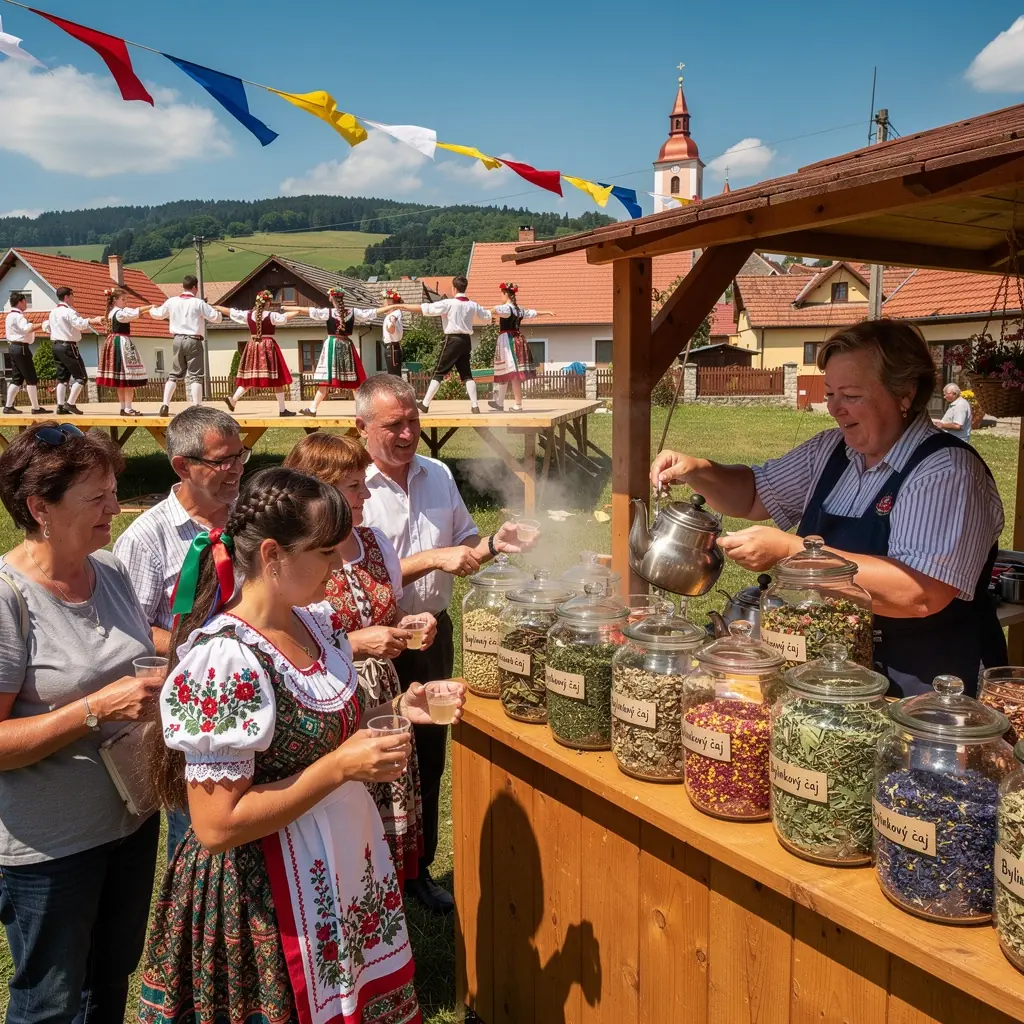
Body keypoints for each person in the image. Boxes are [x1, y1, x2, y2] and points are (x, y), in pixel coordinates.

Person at [139, 467, 464, 1024]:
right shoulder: (224, 663)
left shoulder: (315, 625)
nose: (339, 567)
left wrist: (395, 707)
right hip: (263, 899)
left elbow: (315, 734)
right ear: (273, 555)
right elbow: (216, 826)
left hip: (338, 868)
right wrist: (339, 769)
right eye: (326, 553)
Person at [650, 319, 1005, 697]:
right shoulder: (832, 449)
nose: (834, 408)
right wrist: (698, 471)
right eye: (831, 392)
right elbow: (754, 495)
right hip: (833, 678)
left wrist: (795, 553)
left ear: (905, 393)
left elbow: (919, 593)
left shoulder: (946, 471)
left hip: (926, 689)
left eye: (850, 395)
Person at [0, 423, 163, 1024]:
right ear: (39, 508)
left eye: (113, 492)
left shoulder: (110, 570)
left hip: (131, 821)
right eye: (97, 497)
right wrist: (94, 709)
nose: (115, 508)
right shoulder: (8, 598)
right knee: (49, 1003)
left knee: (109, 981)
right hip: (51, 847)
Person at [356, 374, 536, 912]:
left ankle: (419, 871)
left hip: (433, 634)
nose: (408, 433)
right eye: (394, 425)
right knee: (378, 760)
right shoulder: (350, 486)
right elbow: (355, 574)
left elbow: (463, 542)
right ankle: (373, 874)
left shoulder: (436, 473)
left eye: (414, 421)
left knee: (429, 756)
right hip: (372, 646)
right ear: (361, 427)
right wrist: (434, 558)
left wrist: (493, 543)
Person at [284, 432, 437, 887]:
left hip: (382, 693)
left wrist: (411, 622)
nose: (365, 495)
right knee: (345, 801)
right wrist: (355, 644)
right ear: (319, 490)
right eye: (354, 486)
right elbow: (283, 647)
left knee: (387, 793)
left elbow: (388, 609)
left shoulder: (374, 542)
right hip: (327, 700)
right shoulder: (298, 558)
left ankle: (391, 888)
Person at [113, 406, 246, 860]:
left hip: (253, 694)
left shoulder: (248, 518)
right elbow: (131, 630)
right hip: (191, 710)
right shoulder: (146, 539)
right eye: (222, 461)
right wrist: (214, 649)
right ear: (182, 466)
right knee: (197, 837)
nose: (235, 469)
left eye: (240, 456)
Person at [383, 274, 492, 413]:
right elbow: (487, 316)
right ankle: (475, 405)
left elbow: (426, 309)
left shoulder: (449, 303)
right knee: (466, 374)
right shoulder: (472, 305)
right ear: (465, 288)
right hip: (466, 341)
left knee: (439, 372)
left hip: (452, 340)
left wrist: (402, 306)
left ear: (454, 288)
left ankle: (425, 404)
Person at [298, 287, 389, 416]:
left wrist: (290, 309)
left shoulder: (328, 312)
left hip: (332, 346)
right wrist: (391, 307)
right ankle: (362, 411)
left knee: (326, 380)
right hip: (346, 346)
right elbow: (372, 312)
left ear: (331, 298)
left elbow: (308, 311)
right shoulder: (353, 312)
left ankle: (313, 408)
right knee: (354, 383)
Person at [147, 275, 223, 416]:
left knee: (174, 374)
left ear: (183, 286)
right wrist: (217, 312)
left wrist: (152, 309)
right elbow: (216, 318)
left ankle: (165, 405)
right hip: (193, 340)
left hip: (177, 339)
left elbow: (158, 314)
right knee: (195, 376)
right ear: (195, 287)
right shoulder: (198, 303)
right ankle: (196, 408)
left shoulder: (172, 301)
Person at [219, 290, 302, 417]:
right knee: (277, 378)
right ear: (267, 303)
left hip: (253, 346)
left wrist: (217, 307)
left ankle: (233, 399)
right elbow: (285, 318)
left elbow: (231, 312)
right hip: (268, 347)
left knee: (250, 377)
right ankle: (282, 410)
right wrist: (299, 311)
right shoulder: (271, 315)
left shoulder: (248, 315)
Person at [489, 282, 554, 412]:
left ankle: (518, 405)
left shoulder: (506, 309)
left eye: (501, 294)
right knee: (505, 371)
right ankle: (500, 402)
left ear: (505, 294)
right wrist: (547, 312)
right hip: (515, 339)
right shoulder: (518, 310)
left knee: (513, 373)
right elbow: (533, 312)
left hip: (508, 342)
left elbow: (494, 310)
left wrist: (476, 309)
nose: (500, 296)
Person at [43, 287, 104, 416]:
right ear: (67, 297)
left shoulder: (53, 312)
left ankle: (60, 406)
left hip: (56, 345)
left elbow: (46, 326)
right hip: (68, 346)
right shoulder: (69, 312)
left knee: (62, 378)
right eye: (72, 296)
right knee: (81, 377)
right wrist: (94, 320)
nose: (73, 298)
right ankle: (70, 403)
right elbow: (79, 324)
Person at [95, 287, 153, 415]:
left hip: (112, 342)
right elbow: (134, 312)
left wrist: (139, 314)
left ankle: (123, 407)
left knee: (120, 380)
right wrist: (150, 307)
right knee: (128, 377)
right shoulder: (119, 313)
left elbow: (132, 315)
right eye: (123, 299)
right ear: (115, 300)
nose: (126, 301)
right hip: (121, 343)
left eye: (126, 299)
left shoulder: (111, 313)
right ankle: (128, 408)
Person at [3, 292, 48, 415]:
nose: (26, 304)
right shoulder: (18, 316)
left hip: (13, 347)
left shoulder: (9, 316)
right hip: (21, 348)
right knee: (31, 378)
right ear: (21, 301)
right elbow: (26, 329)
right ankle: (35, 407)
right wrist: (42, 324)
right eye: (25, 301)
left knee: (17, 379)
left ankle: (8, 406)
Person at [382, 288, 405, 376]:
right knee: (395, 375)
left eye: (384, 303)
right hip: (393, 348)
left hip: (392, 349)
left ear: (389, 304)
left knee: (393, 377)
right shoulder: (396, 313)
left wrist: (391, 325)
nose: (383, 305)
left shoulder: (393, 314)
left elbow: (391, 325)